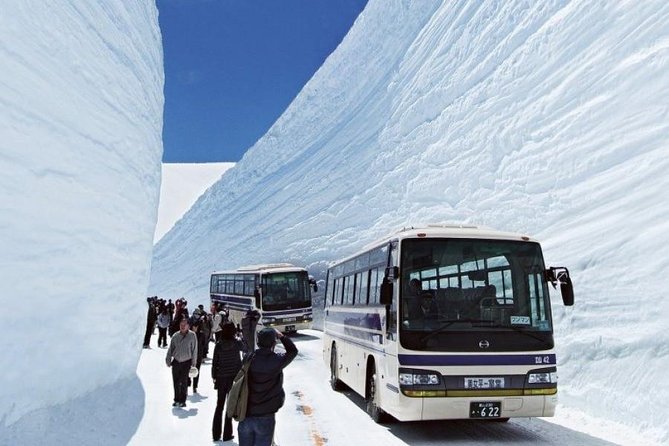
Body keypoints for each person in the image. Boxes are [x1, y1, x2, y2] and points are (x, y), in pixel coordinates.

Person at [238, 328, 298, 446]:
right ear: (273, 343)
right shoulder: (277, 360)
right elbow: (292, 351)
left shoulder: (248, 358)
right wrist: (282, 336)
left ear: (258, 342)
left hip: (245, 413)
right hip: (266, 415)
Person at [211, 321, 246, 442]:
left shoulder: (219, 345)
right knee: (229, 406)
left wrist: (214, 376)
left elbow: (215, 363)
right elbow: (246, 348)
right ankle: (227, 433)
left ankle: (216, 434)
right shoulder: (236, 343)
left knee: (219, 405)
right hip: (234, 378)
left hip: (221, 378)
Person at [165, 317, 198, 408]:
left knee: (184, 382)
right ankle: (176, 399)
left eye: (184, 325)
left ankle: (182, 400)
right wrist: (168, 359)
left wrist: (194, 363)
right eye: (181, 325)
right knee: (176, 381)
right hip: (176, 361)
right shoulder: (175, 336)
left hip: (186, 362)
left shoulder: (192, 335)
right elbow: (170, 349)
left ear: (188, 326)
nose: (182, 326)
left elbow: (194, 350)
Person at [190, 317, 206, 393]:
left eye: (196, 327)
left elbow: (204, 344)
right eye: (194, 326)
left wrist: (203, 355)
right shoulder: (188, 334)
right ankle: (188, 382)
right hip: (189, 355)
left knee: (196, 371)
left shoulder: (201, 335)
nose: (195, 328)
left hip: (198, 355)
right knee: (187, 370)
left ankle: (195, 386)